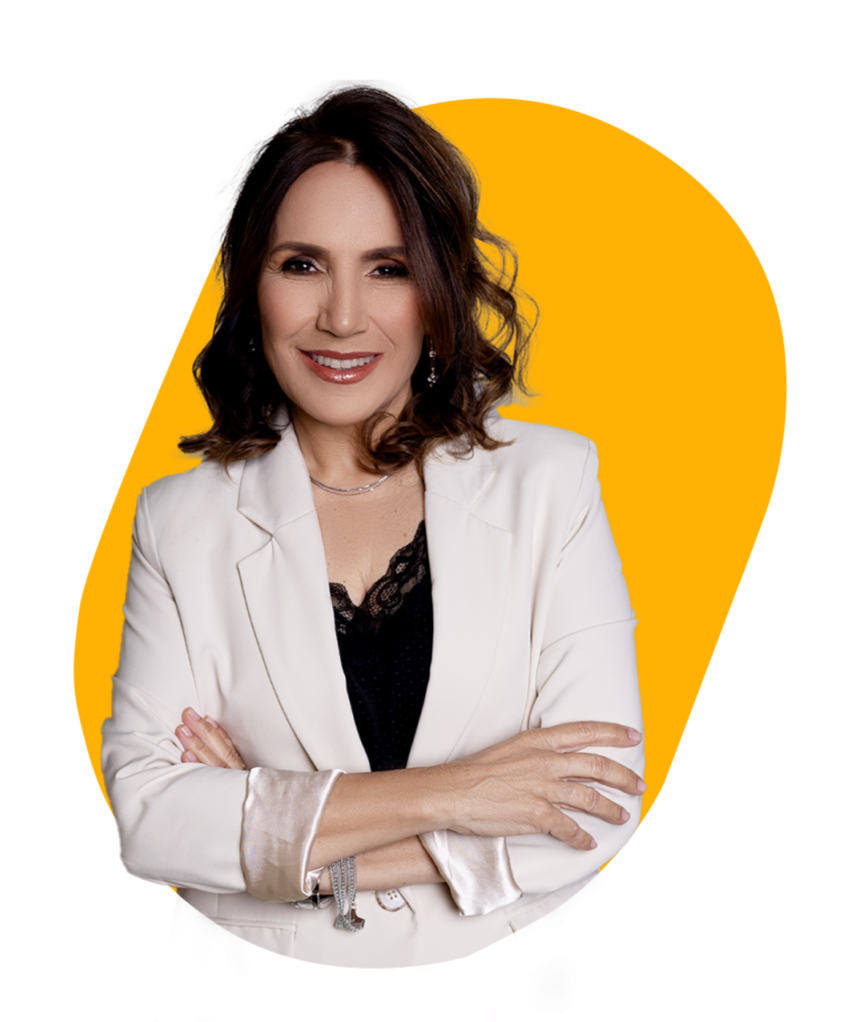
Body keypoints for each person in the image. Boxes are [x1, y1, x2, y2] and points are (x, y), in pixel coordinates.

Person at [101, 79, 646, 972]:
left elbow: (597, 803)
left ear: (435, 290)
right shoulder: (181, 521)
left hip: (517, 983)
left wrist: (286, 840)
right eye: (302, 265)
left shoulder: (552, 483)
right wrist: (461, 792)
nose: (343, 317)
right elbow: (154, 823)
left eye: (387, 268)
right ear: (251, 286)